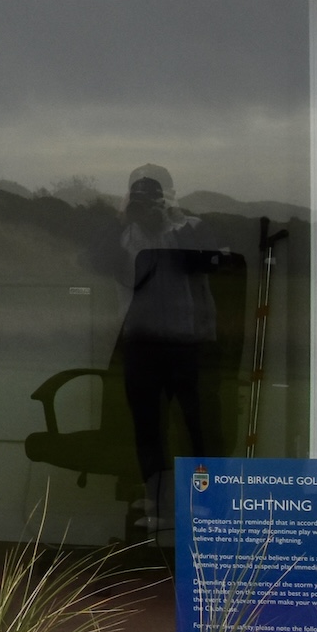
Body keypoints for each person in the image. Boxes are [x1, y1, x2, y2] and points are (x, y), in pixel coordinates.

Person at [101, 164, 220, 540]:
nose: (145, 206)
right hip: (141, 343)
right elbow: (102, 265)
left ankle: (205, 501)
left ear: (170, 196)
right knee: (148, 429)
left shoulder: (191, 227)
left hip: (190, 343)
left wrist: (174, 219)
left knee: (197, 428)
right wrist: (121, 219)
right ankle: (156, 498)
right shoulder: (124, 234)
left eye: (154, 197)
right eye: (137, 197)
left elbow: (203, 263)